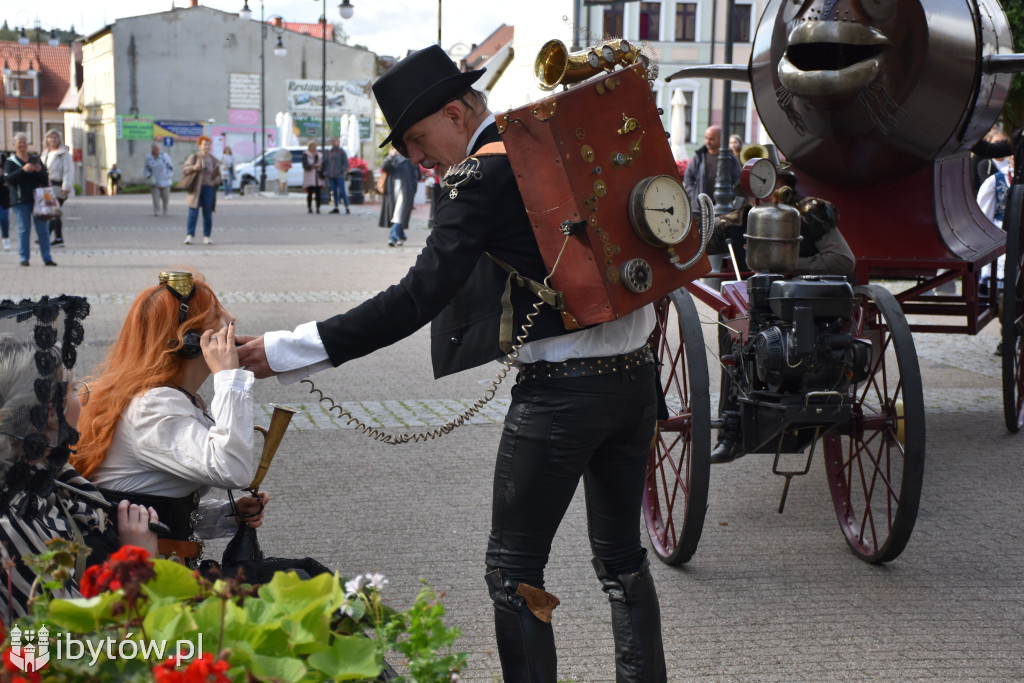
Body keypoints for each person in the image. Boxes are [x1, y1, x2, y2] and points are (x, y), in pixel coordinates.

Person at [237, 45, 667, 682]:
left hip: (562, 396)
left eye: (417, 138)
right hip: (636, 380)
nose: (416, 159)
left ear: (456, 113)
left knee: (512, 572)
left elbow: (417, 296)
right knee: (623, 559)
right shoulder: (558, 141)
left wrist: (286, 350)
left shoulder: (480, 176)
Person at [72, 272, 276, 573]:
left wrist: (227, 514)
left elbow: (146, 504)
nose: (232, 318)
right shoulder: (152, 407)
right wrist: (228, 378)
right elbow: (234, 469)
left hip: (155, 566)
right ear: (190, 341)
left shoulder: (173, 399)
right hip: (132, 580)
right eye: (217, 315)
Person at [0, 295, 160, 626]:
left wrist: (218, 516)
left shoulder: (38, 470)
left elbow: (102, 515)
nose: (82, 398)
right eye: (74, 389)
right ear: (48, 416)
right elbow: (73, 644)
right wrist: (136, 564)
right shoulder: (14, 528)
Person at [706, 166, 856, 463]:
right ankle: (731, 430)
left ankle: (830, 393)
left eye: (775, 187)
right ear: (747, 195)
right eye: (758, 190)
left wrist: (792, 266)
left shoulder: (811, 215)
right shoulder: (733, 224)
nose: (768, 199)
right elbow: (691, 247)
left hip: (809, 302)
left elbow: (843, 260)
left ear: (788, 188)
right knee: (731, 324)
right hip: (755, 305)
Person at [4, 132, 57, 267]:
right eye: (19, 142)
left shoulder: (35, 158)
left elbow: (45, 178)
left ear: (27, 144)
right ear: (14, 144)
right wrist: (23, 170)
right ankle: (24, 258)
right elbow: (9, 179)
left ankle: (47, 258)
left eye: (24, 142)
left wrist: (40, 170)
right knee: (23, 229)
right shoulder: (10, 162)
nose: (22, 144)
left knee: (43, 230)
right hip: (20, 200)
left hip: (39, 199)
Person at [182, 136, 221, 245]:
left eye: (208, 144)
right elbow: (185, 169)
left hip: (208, 188)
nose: (207, 146)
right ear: (200, 145)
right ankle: (189, 235)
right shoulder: (194, 157)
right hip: (196, 188)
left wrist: (215, 181)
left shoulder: (213, 160)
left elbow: (218, 176)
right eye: (204, 144)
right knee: (193, 212)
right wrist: (193, 168)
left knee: (207, 213)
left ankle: (207, 236)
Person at [378, 147, 418, 247]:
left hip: (405, 189)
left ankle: (393, 238)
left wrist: (413, 190)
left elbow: (415, 176)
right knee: (395, 213)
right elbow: (383, 168)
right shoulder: (392, 158)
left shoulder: (409, 159)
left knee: (398, 213)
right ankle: (401, 235)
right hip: (392, 189)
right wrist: (390, 157)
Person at [42, 129, 74, 247]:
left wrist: (66, 186)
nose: (52, 140)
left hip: (58, 185)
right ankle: (58, 239)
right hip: (47, 186)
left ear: (59, 139)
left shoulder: (63, 153)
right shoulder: (45, 153)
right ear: (46, 139)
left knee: (53, 212)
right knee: (54, 212)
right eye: (50, 137)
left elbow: (68, 170)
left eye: (55, 137)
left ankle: (46, 237)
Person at [143, 143, 175, 216]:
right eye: (155, 148)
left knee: (165, 198)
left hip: (165, 180)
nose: (156, 150)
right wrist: (148, 175)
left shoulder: (164, 156)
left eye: (158, 148)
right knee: (155, 198)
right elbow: (146, 168)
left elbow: (170, 167)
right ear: (152, 149)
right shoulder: (148, 157)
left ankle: (165, 210)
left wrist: (168, 175)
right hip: (154, 181)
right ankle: (156, 211)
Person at [325, 137, 350, 214]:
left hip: (339, 175)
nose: (333, 142)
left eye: (335, 141)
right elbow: (326, 163)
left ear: (338, 142)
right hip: (331, 175)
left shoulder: (341, 151)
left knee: (342, 191)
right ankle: (336, 207)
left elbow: (346, 163)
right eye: (332, 141)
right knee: (334, 191)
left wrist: (341, 170)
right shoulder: (330, 152)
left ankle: (347, 207)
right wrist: (327, 172)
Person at [302, 141, 324, 214]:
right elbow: (305, 166)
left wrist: (320, 167)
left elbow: (323, 164)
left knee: (318, 193)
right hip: (310, 176)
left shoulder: (320, 155)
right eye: (312, 146)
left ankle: (318, 208)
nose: (313, 148)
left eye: (314, 146)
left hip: (318, 177)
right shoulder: (306, 154)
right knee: (310, 193)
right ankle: (309, 208)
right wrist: (313, 166)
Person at [0, 152, 10, 251]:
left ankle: (6, 238)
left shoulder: (4, 158)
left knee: (3, 219)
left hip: (3, 198)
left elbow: (7, 181)